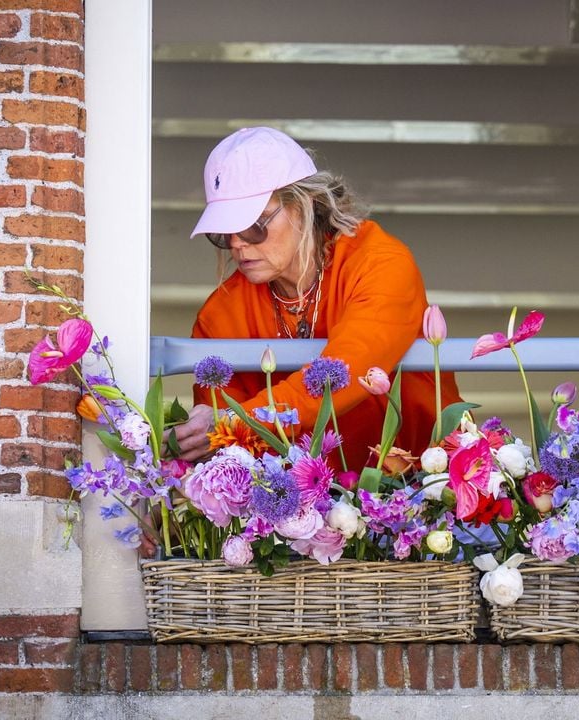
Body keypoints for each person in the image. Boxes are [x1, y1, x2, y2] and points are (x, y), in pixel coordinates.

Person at [171, 127, 461, 471]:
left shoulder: (380, 262)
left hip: (420, 492)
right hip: (293, 506)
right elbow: (225, 458)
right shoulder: (219, 315)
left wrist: (233, 423)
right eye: (223, 232)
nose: (237, 243)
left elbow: (345, 372)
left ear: (306, 204)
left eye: (253, 225)